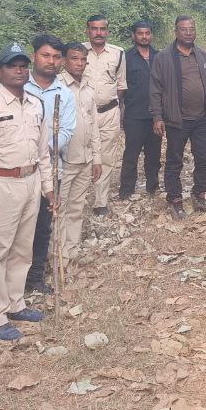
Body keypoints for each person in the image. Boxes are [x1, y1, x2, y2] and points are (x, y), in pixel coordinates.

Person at [0, 43, 55, 341]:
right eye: (11, 65)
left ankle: (16, 303)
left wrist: (48, 187)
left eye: (22, 65)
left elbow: (43, 150)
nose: (19, 70)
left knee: (22, 247)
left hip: (29, 181)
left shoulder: (34, 103)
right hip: (0, 183)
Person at [150, 15, 206, 219]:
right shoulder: (163, 57)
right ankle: (175, 199)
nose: (188, 33)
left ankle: (199, 195)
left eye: (191, 29)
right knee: (174, 161)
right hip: (176, 119)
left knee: (205, 159)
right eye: (184, 29)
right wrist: (157, 116)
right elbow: (155, 89)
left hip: (202, 119)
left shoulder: (202, 56)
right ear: (176, 32)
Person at [24, 35, 76, 294]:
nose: (51, 61)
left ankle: (34, 278)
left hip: (50, 167)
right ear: (35, 56)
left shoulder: (64, 94)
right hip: (18, 168)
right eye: (46, 55)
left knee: (43, 224)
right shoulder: (19, 87)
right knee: (10, 228)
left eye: (56, 57)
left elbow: (66, 133)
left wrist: (43, 146)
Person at [55, 42, 102, 270]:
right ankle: (58, 256)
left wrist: (97, 157)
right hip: (65, 160)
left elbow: (93, 125)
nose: (79, 63)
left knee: (76, 208)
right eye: (75, 59)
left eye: (83, 60)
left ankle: (71, 252)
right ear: (65, 60)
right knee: (60, 210)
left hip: (85, 158)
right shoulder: (58, 88)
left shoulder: (88, 87)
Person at [83, 15, 126, 216]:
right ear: (88, 30)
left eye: (102, 29)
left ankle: (100, 202)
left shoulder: (118, 53)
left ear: (107, 31)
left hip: (109, 112)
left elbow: (120, 85)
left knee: (107, 157)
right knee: (83, 156)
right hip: (83, 114)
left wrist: (116, 108)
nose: (98, 33)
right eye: (94, 29)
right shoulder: (78, 52)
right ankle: (79, 197)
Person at [119, 20, 162, 199]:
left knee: (154, 155)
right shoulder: (126, 58)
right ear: (133, 35)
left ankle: (153, 187)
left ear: (151, 35)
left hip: (155, 115)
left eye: (147, 33)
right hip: (134, 115)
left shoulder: (159, 56)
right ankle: (126, 190)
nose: (144, 36)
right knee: (131, 154)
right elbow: (120, 86)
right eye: (140, 33)